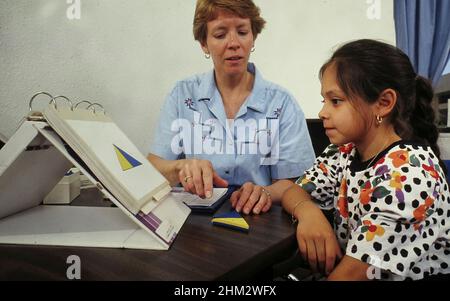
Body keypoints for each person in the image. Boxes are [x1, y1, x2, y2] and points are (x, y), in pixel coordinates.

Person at [282, 39, 450, 280]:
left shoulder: (408, 174)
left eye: (336, 101)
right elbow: (294, 191)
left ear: (383, 104)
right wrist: (308, 212)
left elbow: (351, 275)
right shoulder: (346, 151)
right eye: (324, 101)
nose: (322, 112)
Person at [148, 0, 315, 215]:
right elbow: (153, 168)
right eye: (220, 35)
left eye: (243, 32)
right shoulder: (182, 95)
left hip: (258, 224)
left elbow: (297, 184)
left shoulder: (282, 104)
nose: (234, 43)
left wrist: (264, 192)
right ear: (204, 44)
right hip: (194, 225)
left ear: (253, 36)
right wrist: (179, 167)